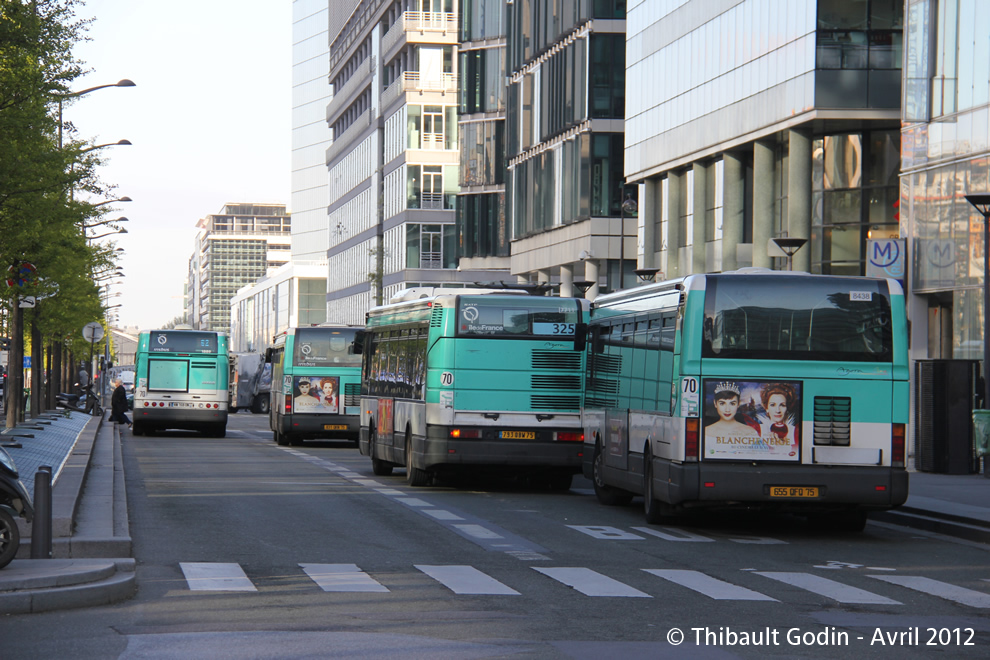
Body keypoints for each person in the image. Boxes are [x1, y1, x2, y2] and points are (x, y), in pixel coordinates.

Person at [759, 382, 799, 450]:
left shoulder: (795, 432)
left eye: (782, 405)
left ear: (787, 408)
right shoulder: (758, 430)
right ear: (767, 408)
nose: (777, 410)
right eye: (772, 405)